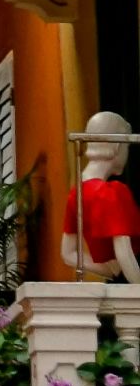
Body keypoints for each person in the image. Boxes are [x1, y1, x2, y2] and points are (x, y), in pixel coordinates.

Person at [62, 110, 140, 282]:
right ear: (117, 146)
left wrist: (111, 271)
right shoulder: (111, 193)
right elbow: (124, 254)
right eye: (126, 146)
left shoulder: (77, 193)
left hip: (120, 284)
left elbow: (67, 254)